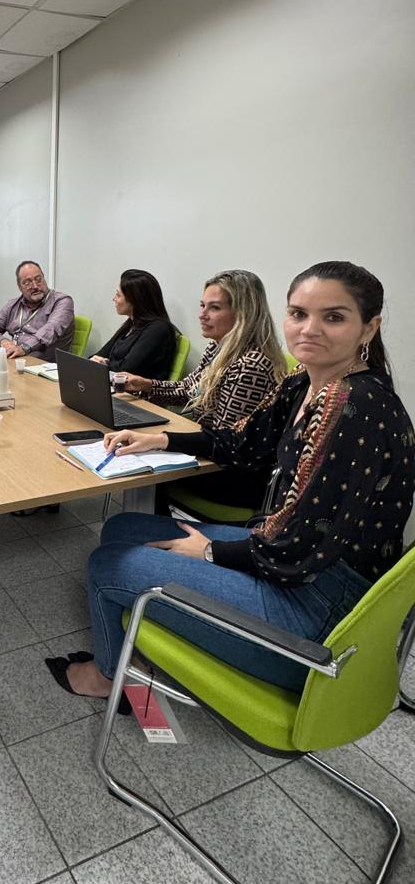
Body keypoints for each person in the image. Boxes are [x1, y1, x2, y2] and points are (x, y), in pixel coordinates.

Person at [47, 262, 415, 700]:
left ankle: (108, 676)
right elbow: (243, 441)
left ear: (369, 327)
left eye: (333, 317)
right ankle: (133, 648)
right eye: (299, 314)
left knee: (107, 563)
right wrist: (160, 439)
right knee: (122, 528)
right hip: (289, 564)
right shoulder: (304, 383)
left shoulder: (355, 407)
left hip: (314, 614)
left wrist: (210, 552)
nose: (309, 329)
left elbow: (297, 547)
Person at [116, 269, 288, 511]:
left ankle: (155, 530)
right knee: (142, 452)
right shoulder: (218, 348)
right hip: (211, 451)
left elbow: (224, 439)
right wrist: (147, 385)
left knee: (145, 467)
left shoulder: (251, 364)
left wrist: (162, 440)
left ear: (243, 314)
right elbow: (187, 390)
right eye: (202, 305)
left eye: (214, 308)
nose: (202, 315)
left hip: (234, 474)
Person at [90, 269, 176, 380]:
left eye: (118, 295)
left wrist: (104, 364)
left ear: (134, 299)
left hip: (136, 390)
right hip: (113, 385)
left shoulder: (159, 329)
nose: (114, 299)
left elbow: (127, 369)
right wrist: (96, 361)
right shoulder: (130, 325)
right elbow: (98, 356)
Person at [0, 261, 75, 361]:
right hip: (17, 360)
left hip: (47, 365)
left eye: (38, 279)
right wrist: (3, 341)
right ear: (20, 287)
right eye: (27, 283)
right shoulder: (13, 305)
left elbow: (50, 331)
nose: (35, 286)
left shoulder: (62, 301)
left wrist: (23, 348)